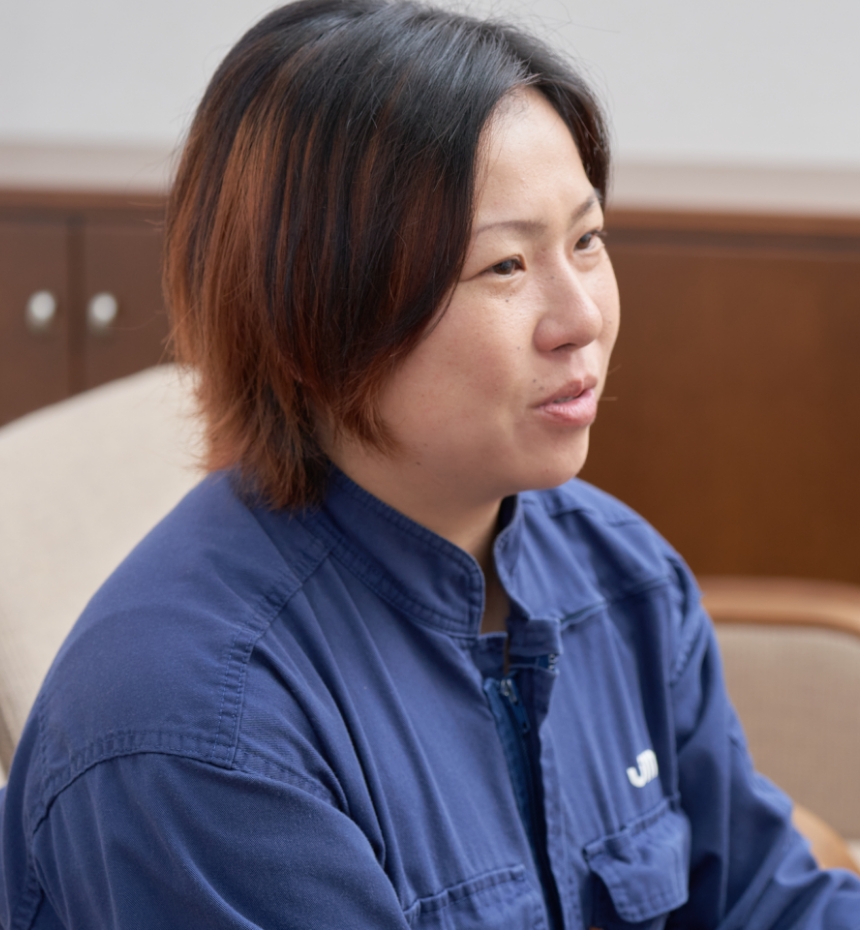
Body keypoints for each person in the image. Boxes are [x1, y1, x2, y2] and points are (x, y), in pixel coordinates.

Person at [1, 0, 858, 927]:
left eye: (586, 240)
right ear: (315, 311)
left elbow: (763, 899)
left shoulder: (621, 577)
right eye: (505, 267)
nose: (582, 319)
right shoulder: (197, 727)